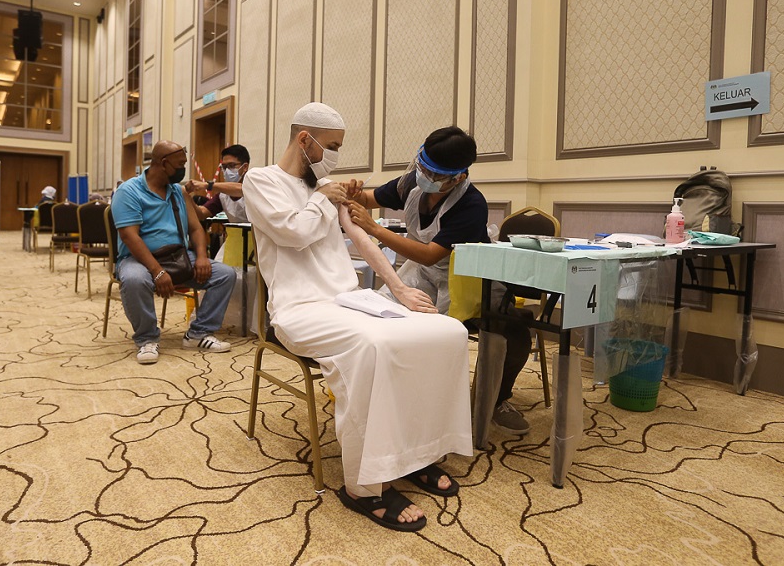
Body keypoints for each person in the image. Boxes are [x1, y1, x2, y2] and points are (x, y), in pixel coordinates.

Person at [244, 102, 473, 533]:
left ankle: (417, 455)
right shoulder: (262, 180)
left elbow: (362, 237)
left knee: (444, 331)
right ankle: (364, 485)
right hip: (299, 310)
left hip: (348, 300)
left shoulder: (326, 186)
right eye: (331, 146)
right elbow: (291, 233)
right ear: (303, 140)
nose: (334, 156)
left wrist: (401, 289)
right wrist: (320, 198)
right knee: (374, 347)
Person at [345, 127, 533, 436]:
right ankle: (382, 393)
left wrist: (375, 230)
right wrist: (352, 194)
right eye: (422, 166)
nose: (424, 175)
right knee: (380, 317)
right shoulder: (413, 181)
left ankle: (494, 400)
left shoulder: (471, 204)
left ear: (457, 177)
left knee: (438, 337)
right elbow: (369, 198)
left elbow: (431, 254)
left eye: (434, 173)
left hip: (466, 280)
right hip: (424, 273)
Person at [110, 140, 236, 364]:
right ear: (164, 163)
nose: (183, 169)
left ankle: (198, 333)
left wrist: (201, 256)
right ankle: (147, 338)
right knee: (134, 279)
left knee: (225, 274)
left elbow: (196, 227)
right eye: (180, 164)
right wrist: (157, 271)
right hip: (137, 258)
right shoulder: (129, 191)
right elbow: (130, 236)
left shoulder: (178, 192)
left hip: (177, 255)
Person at [189, 144, 251, 223]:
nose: (227, 170)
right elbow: (202, 213)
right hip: (235, 234)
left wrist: (208, 185)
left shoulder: (254, 185)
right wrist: (186, 196)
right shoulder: (223, 195)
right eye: (224, 167)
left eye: (232, 165)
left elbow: (241, 189)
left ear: (245, 167)